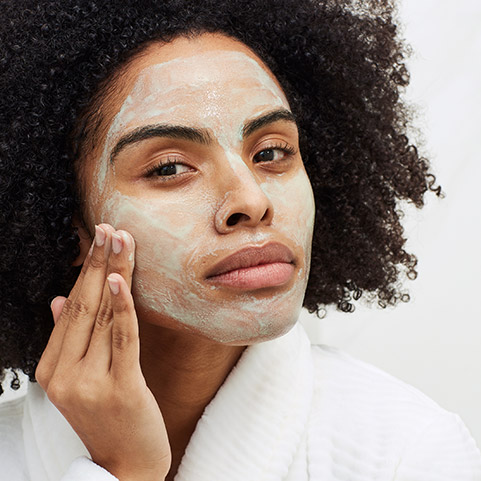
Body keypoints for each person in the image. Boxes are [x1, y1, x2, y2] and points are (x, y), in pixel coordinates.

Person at [0, 1, 480, 480]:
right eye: (169, 168)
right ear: (68, 223)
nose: (251, 199)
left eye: (272, 152)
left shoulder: (409, 454)